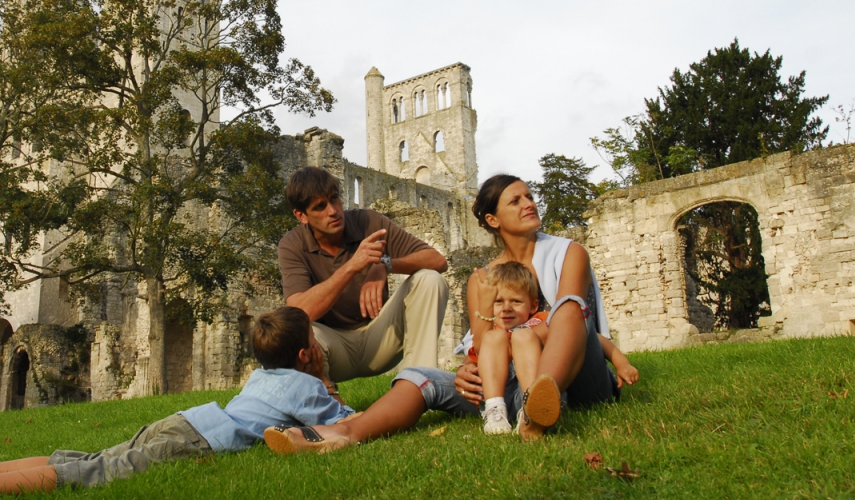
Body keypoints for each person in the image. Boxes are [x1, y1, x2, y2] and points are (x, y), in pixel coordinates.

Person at [263, 173, 636, 452]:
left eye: (529, 196)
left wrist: (383, 264)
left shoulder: (570, 252)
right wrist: (469, 371)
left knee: (569, 307)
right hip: (505, 387)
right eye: (516, 200)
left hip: (574, 378)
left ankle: (540, 404)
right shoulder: (482, 278)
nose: (530, 204)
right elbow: (482, 339)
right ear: (493, 220)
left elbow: (576, 320)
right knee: (421, 379)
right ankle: (343, 433)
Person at [0, 306, 352, 500]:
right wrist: (323, 378)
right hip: (200, 441)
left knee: (95, 458)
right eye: (314, 344)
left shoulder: (260, 377)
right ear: (304, 353)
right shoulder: (305, 387)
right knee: (99, 472)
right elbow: (345, 421)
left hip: (188, 419)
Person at [278, 166, 450, 384]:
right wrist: (352, 267)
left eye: (335, 199)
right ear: (301, 215)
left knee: (430, 279)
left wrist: (385, 265)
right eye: (320, 207)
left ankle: (421, 387)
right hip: (332, 346)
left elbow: (438, 261)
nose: (333, 211)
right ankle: (325, 407)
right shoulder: (292, 245)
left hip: (381, 337)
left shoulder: (369, 222)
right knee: (296, 332)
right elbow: (299, 311)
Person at [470, 261, 638, 435]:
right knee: (492, 338)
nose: (506, 308)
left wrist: (622, 363)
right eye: (498, 301)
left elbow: (594, 338)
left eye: (516, 301)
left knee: (523, 335)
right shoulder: (492, 332)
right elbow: (478, 353)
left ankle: (532, 409)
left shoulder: (544, 320)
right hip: (503, 396)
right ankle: (494, 411)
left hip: (538, 392)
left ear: (533, 306)